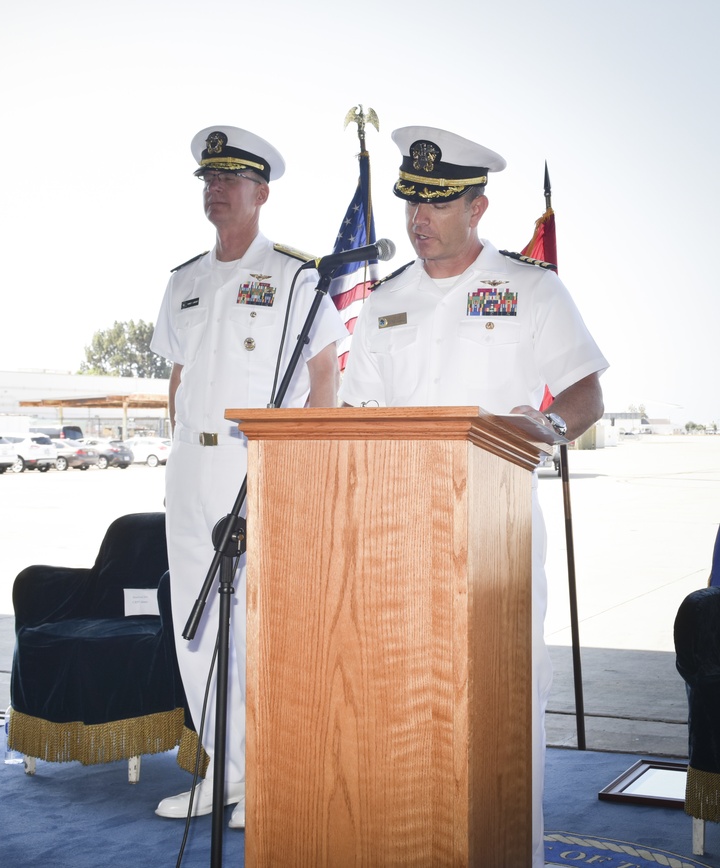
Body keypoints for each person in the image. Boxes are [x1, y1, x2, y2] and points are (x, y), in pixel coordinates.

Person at [340, 126, 607, 867]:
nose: (417, 219)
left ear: (477, 206)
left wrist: (544, 425)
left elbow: (586, 393)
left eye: (435, 204)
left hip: (495, 528)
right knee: (399, 697)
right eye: (410, 205)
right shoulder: (384, 301)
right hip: (396, 530)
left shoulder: (530, 288)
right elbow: (355, 415)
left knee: (503, 701)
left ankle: (511, 851)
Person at [150, 126, 348, 829]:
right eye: (209, 179)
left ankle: (268, 772)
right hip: (191, 467)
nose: (218, 190)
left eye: (232, 179)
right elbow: (176, 377)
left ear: (262, 193)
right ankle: (223, 772)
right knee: (195, 625)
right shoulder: (183, 281)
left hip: (258, 464)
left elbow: (325, 371)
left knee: (261, 623)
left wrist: (311, 464)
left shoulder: (297, 276)